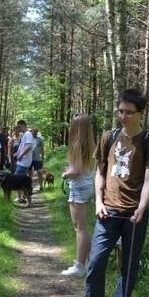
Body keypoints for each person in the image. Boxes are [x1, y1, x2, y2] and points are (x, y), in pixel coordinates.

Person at [69, 89, 149, 297]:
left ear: (141, 113)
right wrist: (99, 203)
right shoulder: (109, 137)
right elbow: (100, 173)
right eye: (120, 111)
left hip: (134, 215)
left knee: (128, 267)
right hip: (107, 213)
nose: (123, 116)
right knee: (96, 263)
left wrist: (142, 207)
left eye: (129, 112)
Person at [60, 114, 96, 276]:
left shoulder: (76, 145)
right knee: (83, 227)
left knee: (79, 228)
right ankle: (89, 262)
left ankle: (79, 265)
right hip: (89, 186)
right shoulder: (91, 145)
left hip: (79, 188)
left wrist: (65, 174)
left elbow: (77, 170)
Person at [13, 121, 34, 203]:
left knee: (18, 181)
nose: (18, 128)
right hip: (22, 161)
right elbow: (22, 147)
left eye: (19, 126)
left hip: (23, 162)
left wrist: (20, 155)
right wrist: (17, 153)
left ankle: (21, 198)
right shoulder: (25, 134)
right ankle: (23, 198)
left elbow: (28, 146)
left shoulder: (28, 134)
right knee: (22, 181)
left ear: (23, 125)